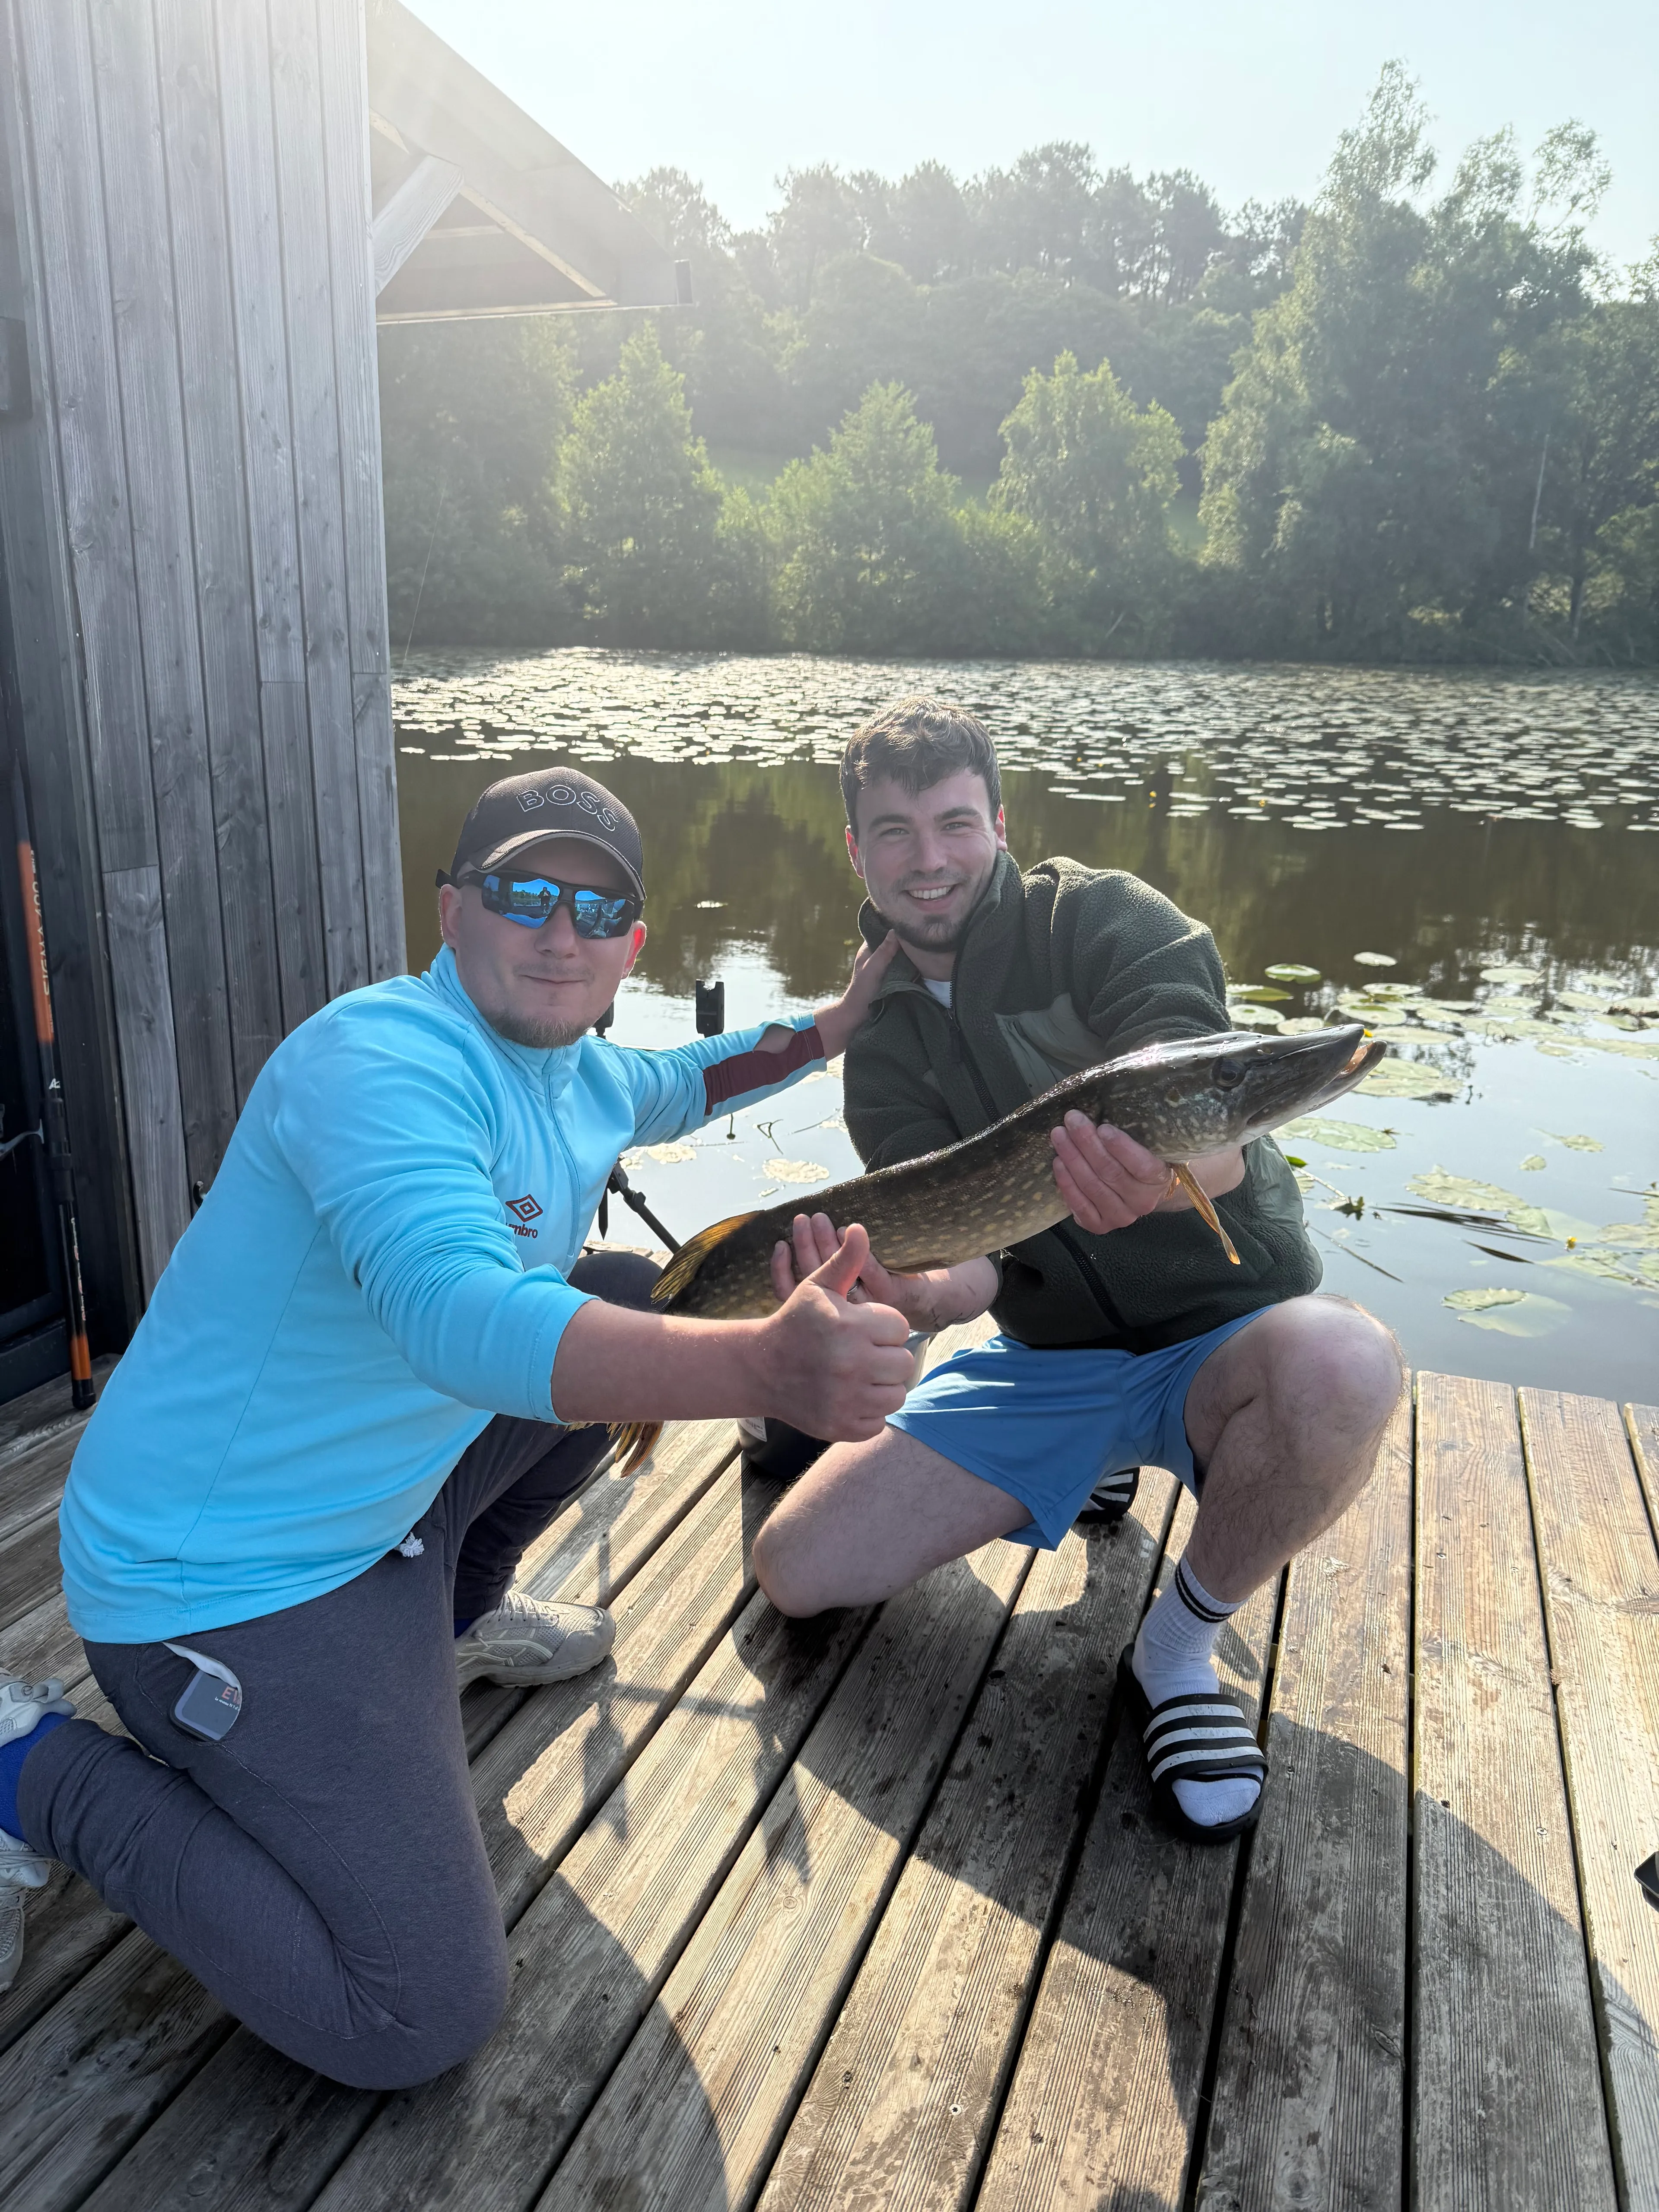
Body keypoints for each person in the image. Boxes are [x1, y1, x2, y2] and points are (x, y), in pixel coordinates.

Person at [0, 766, 914, 2085]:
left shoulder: (580, 1067)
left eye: (599, 911)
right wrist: (763, 1367)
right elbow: (455, 1315)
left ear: (634, 948)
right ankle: (35, 1769)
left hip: (373, 1505)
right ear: (452, 911)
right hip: (214, 1582)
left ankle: (454, 1620)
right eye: (524, 893)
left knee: (611, 1294)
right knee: (413, 2016)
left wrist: (829, 1027)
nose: (562, 931)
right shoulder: (379, 1060)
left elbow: (689, 1076)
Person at [750, 698, 1404, 1844]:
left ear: (998, 821)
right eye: (893, 833)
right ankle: (1093, 1457)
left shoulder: (1103, 920)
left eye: (954, 822)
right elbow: (968, 1270)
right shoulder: (885, 1044)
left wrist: (1166, 1176)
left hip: (1224, 1337)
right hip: (1047, 1352)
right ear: (857, 851)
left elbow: (1208, 1101)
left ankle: (1180, 1646)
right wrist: (915, 1296)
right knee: (796, 1569)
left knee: (1346, 1364)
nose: (930, 860)